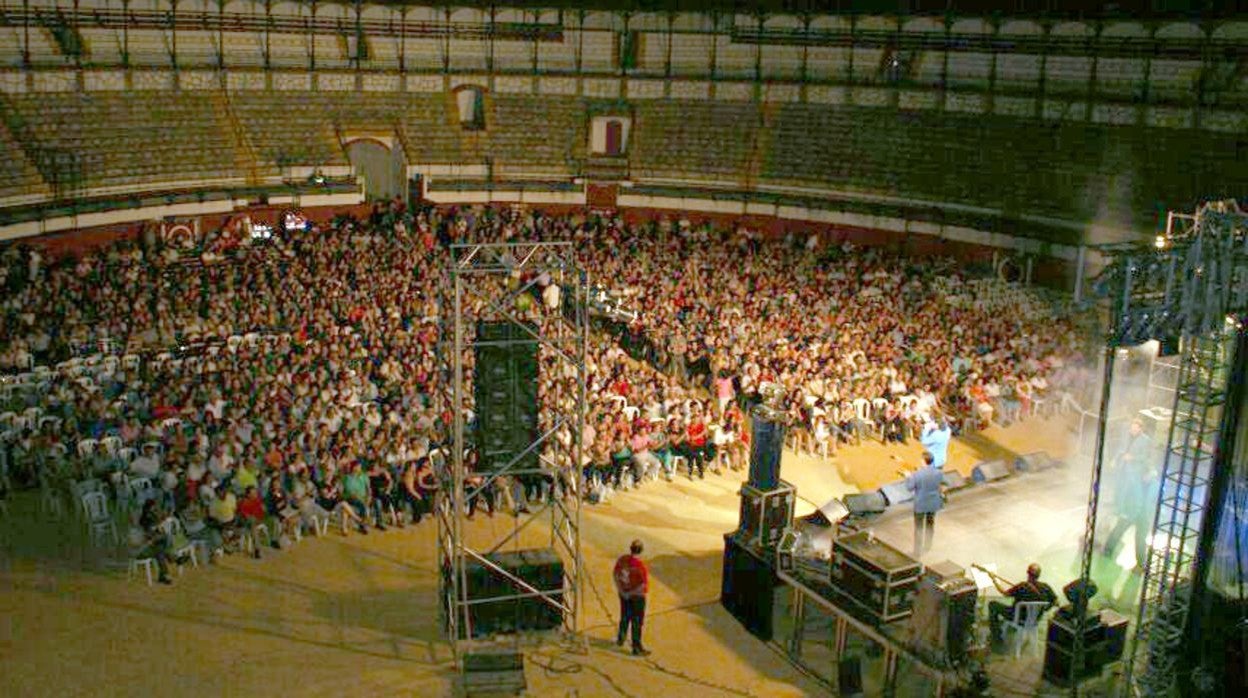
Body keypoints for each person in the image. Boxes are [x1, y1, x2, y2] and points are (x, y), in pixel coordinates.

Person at [1102, 419, 1159, 569]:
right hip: (1132, 510)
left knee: (1139, 538)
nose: (1131, 430)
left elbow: (1150, 500)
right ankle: (1108, 552)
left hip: (1141, 513)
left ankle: (1141, 563)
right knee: (1120, 530)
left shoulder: (1147, 477)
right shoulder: (1135, 480)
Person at [987, 563, 1058, 648]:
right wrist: (1045, 608)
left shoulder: (1022, 586)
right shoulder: (1046, 587)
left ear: (1028, 573)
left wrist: (993, 580)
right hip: (1035, 619)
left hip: (1018, 617)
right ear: (1039, 575)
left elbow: (1004, 593)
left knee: (992, 604)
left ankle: (996, 636)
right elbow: (1056, 601)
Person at [613, 539, 651, 657]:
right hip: (637, 597)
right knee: (637, 621)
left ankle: (621, 638)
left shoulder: (622, 560)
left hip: (623, 594)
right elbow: (642, 585)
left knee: (624, 616)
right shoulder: (640, 566)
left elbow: (615, 574)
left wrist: (621, 590)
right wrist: (631, 593)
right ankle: (636, 646)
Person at [904, 452, 944, 558]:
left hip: (921, 504)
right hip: (933, 503)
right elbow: (944, 483)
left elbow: (909, 487)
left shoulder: (917, 474)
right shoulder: (938, 472)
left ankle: (917, 552)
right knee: (930, 524)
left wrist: (908, 477)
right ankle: (928, 546)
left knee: (919, 528)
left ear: (923, 461)